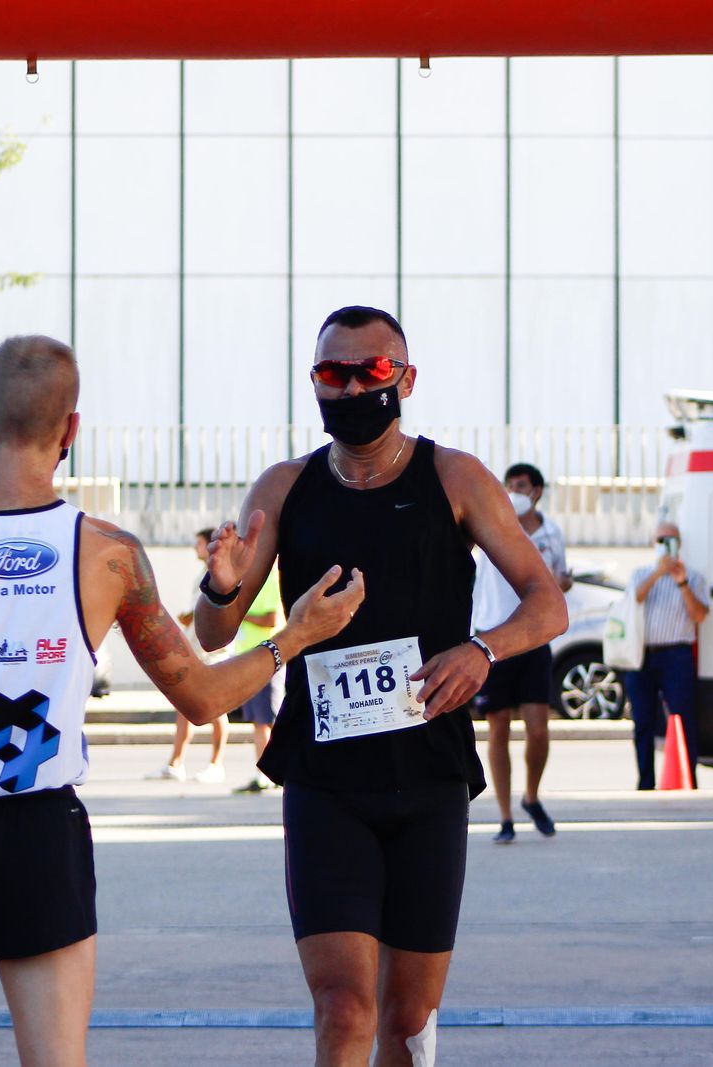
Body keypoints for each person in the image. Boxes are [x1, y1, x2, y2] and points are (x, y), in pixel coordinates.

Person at [0, 335, 364, 1067]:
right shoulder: (109, 555)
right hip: (40, 831)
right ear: (72, 430)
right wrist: (291, 638)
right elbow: (201, 698)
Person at [194, 306, 566, 1066]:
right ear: (315, 382)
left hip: (428, 774)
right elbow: (212, 634)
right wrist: (222, 583)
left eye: (374, 371)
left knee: (407, 1019)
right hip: (327, 778)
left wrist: (482, 652)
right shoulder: (286, 486)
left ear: (407, 378)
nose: (354, 385)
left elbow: (546, 601)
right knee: (344, 1006)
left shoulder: (454, 477)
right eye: (335, 373)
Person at [472, 462, 572, 841]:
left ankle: (531, 796)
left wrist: (562, 582)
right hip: (495, 636)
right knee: (498, 727)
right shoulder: (490, 525)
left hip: (533, 637)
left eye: (521, 485)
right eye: (509, 484)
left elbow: (561, 578)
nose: (514, 490)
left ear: (536, 492)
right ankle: (505, 816)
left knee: (539, 728)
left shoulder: (551, 532)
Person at [623, 522, 710, 791]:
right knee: (643, 722)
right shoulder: (640, 574)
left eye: (671, 539)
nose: (666, 543)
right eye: (661, 539)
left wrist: (681, 583)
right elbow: (635, 599)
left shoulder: (693, 577)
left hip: (676, 654)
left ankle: (688, 779)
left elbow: (700, 616)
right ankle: (645, 782)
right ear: (653, 542)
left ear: (679, 543)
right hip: (642, 656)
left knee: (683, 720)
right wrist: (658, 573)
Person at [151, 528, 232, 783]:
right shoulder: (204, 573)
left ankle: (216, 764)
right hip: (196, 652)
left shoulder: (221, 573)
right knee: (184, 707)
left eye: (199, 544)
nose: (195, 548)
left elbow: (223, 609)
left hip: (214, 653)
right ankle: (176, 762)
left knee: (217, 709)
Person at [230, 572, 285, 794]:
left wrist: (241, 614)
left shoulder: (270, 579)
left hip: (266, 659)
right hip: (251, 659)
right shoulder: (249, 580)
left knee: (266, 720)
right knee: (258, 721)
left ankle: (267, 774)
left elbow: (271, 619)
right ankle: (263, 772)